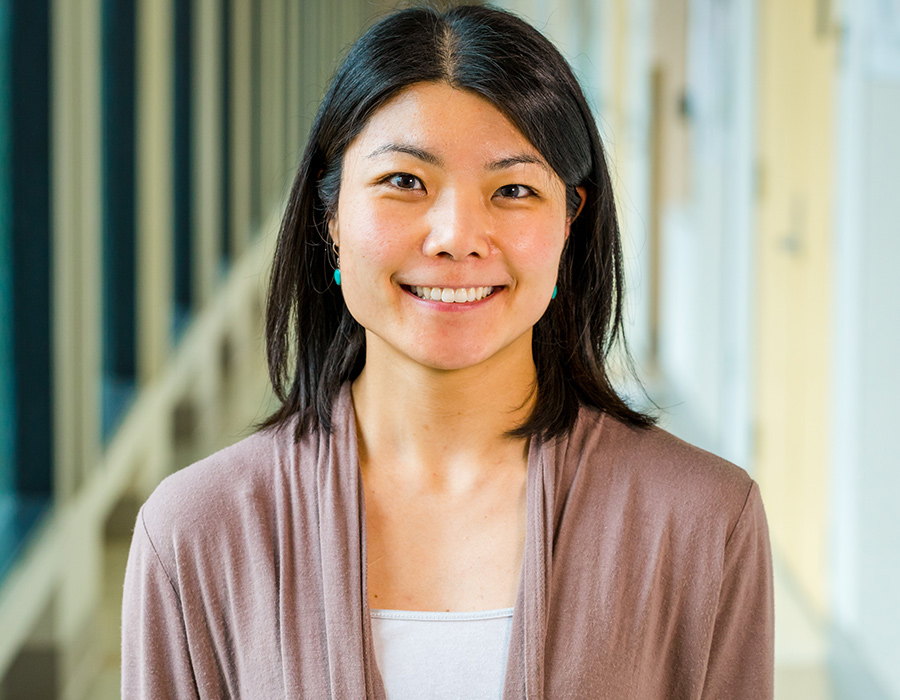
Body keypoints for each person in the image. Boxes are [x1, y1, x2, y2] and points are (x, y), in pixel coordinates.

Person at [121, 5, 774, 698]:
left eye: (514, 190)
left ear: (568, 226)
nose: (457, 237)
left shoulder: (705, 522)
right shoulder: (195, 533)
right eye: (405, 182)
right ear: (331, 215)